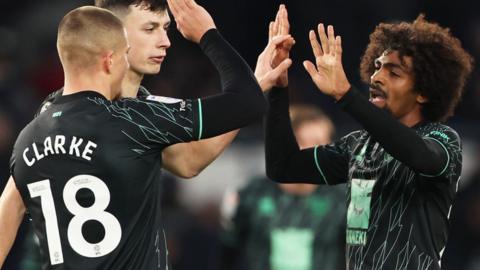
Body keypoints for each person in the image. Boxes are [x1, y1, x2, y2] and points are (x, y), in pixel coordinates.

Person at [0, 0, 291, 268]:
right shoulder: (140, 119)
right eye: (150, 29)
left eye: (166, 28)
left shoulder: (48, 116)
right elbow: (12, 207)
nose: (165, 41)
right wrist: (208, 35)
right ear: (115, 37)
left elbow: (188, 161)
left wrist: (257, 82)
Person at [265, 10, 473, 270]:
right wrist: (278, 87)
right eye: (377, 67)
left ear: (423, 92)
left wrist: (347, 96)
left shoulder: (443, 140)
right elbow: (282, 166)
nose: (376, 77)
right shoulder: (358, 145)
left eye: (394, 73)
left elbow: (418, 155)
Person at [220, 104, 346, 270]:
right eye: (301, 140)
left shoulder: (344, 199)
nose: (310, 151)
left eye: (319, 143)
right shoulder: (249, 194)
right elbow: (227, 254)